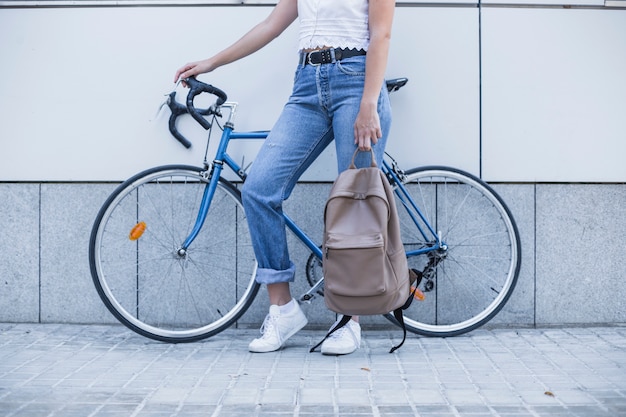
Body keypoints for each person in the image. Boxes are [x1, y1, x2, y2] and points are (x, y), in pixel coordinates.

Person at [174, 0, 396, 355]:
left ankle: (349, 320)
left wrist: (369, 102)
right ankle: (283, 309)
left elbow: (381, 33)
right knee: (259, 188)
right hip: (307, 85)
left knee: (356, 201)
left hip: (356, 82)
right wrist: (212, 62)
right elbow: (271, 25)